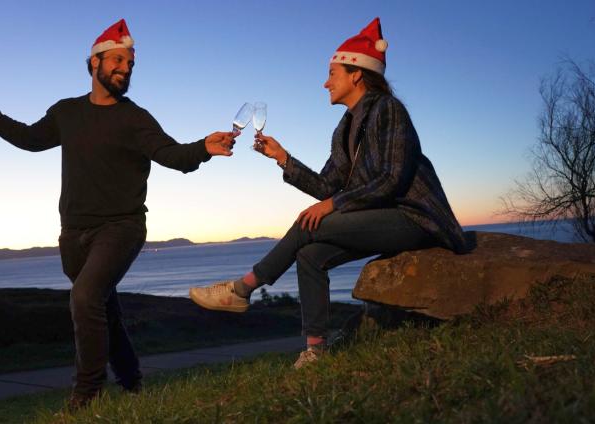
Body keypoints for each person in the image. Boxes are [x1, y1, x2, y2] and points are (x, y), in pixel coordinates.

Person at [0, 19, 236, 409]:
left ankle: (86, 394)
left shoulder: (135, 118)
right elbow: (29, 140)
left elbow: (172, 156)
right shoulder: (66, 112)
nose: (125, 68)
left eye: (131, 64)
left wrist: (204, 146)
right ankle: (132, 383)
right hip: (73, 234)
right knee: (102, 307)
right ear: (94, 63)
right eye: (118, 60)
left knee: (85, 297)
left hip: (122, 226)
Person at [189, 18, 469, 369]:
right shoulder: (344, 128)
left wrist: (333, 204)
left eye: (331, 74)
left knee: (310, 221)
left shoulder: (389, 110)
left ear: (356, 74)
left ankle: (243, 288)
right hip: (380, 218)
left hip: (414, 217)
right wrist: (282, 158)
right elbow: (325, 186)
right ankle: (316, 351)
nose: (325, 83)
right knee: (311, 255)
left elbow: (393, 179)